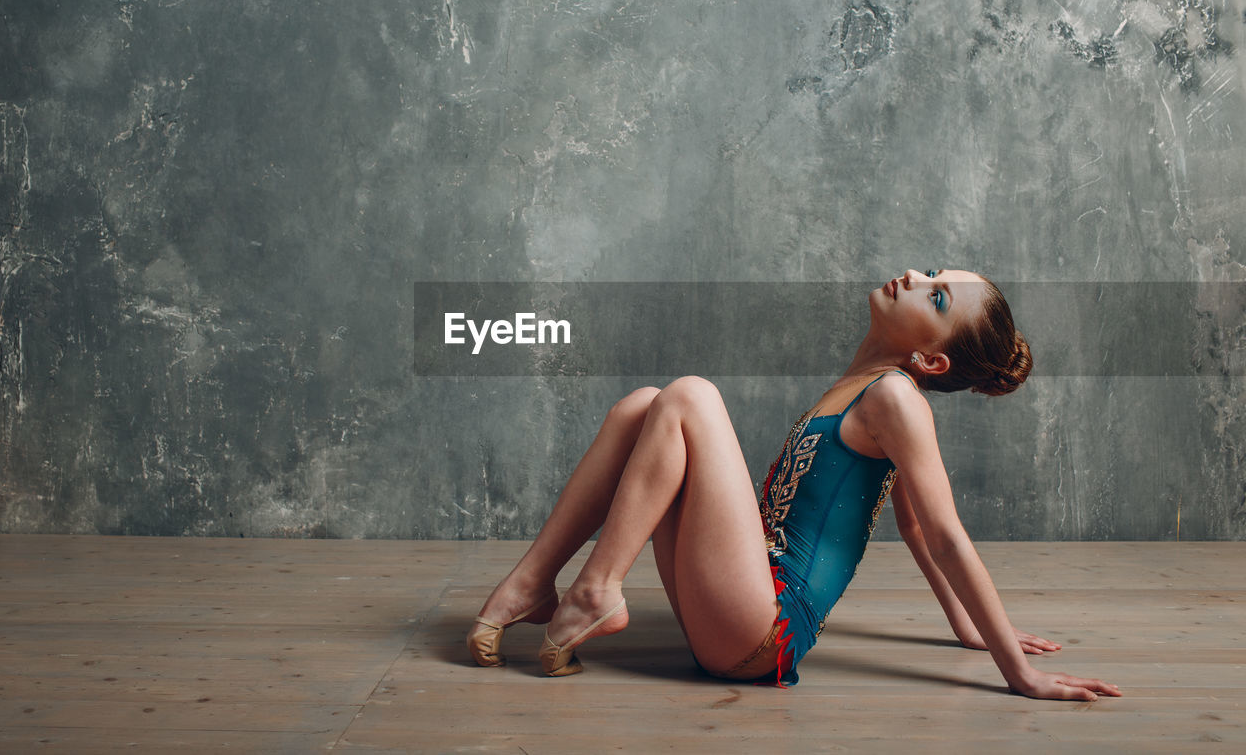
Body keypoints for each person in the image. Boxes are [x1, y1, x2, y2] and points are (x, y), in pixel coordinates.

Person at [465, 269, 1122, 700]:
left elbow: (946, 535)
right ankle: (529, 584)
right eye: (933, 271)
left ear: (929, 358)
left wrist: (1019, 670)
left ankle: (598, 588)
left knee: (690, 395)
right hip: (738, 603)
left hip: (764, 629)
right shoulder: (862, 386)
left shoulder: (898, 397)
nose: (917, 278)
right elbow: (913, 525)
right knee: (644, 405)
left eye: (937, 297)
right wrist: (963, 626)